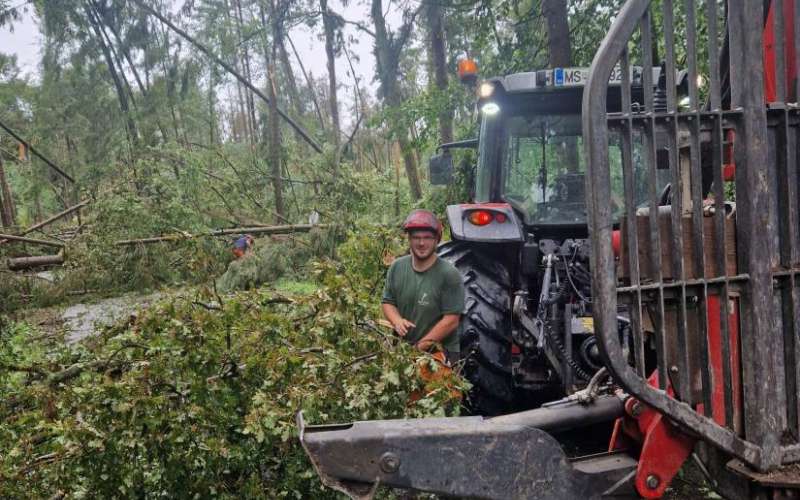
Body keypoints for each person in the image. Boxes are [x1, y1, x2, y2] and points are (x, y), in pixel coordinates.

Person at [381, 210, 465, 364]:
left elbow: (451, 320)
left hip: (440, 353)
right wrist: (397, 321)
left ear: (436, 240)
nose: (421, 243)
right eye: (416, 237)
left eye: (427, 237)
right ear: (409, 239)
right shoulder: (397, 267)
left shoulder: (449, 274)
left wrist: (421, 346)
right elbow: (388, 302)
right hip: (403, 350)